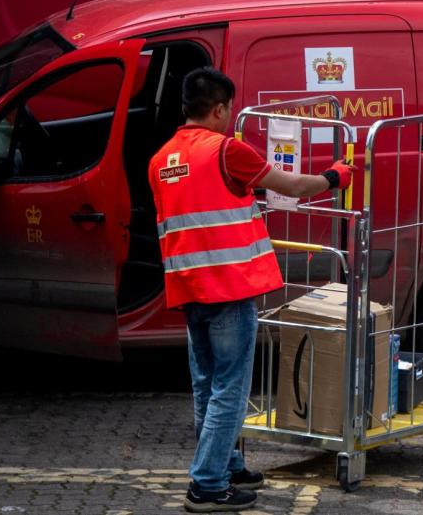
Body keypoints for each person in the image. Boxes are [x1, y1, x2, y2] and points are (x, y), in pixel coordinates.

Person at [149, 67, 354, 513]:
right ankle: (206, 484)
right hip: (229, 289)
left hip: (188, 289)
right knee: (230, 390)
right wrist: (335, 177)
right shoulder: (226, 151)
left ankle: (227, 464)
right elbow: (293, 187)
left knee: (207, 387)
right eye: (229, 110)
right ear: (220, 109)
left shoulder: (161, 159)